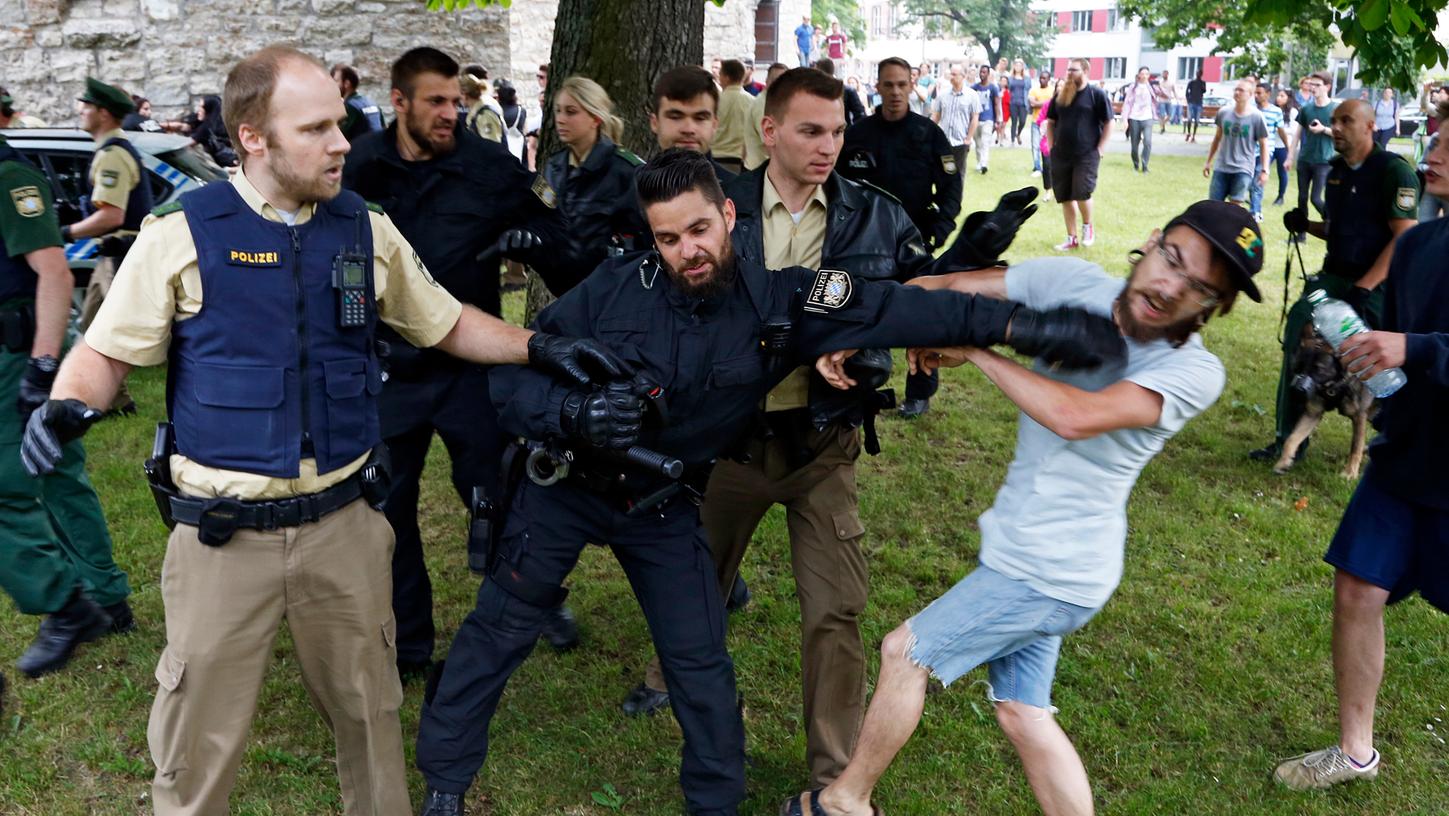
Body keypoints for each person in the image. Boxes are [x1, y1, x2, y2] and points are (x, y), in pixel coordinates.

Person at [413, 146, 1124, 816]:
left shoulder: (783, 300)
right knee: (496, 634)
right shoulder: (611, 289)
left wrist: (1028, 328)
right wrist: (574, 410)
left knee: (698, 662)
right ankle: (444, 784)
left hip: (659, 507)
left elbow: (896, 306)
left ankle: (716, 802)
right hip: (562, 490)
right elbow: (512, 380)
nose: (687, 251)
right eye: (667, 239)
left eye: (698, 228)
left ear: (727, 216)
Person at [18, 45, 625, 815]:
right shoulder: (182, 232)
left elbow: (442, 322)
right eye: (316, 129)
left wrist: (539, 346)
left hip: (344, 527)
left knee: (371, 719)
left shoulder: (363, 228)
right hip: (222, 539)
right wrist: (70, 403)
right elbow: (106, 350)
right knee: (196, 738)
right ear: (253, 138)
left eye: (339, 124)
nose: (342, 143)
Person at [782, 199, 1265, 816]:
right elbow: (944, 286)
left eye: (1200, 287)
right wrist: (864, 331)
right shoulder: (1079, 284)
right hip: (1034, 556)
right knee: (1023, 714)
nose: (1173, 287)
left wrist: (979, 347)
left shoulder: (1194, 371)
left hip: (1050, 573)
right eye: (1173, 259)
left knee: (906, 652)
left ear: (1214, 306)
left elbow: (1074, 415)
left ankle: (845, 801)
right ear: (1153, 238)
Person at [621, 66, 1029, 781]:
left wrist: (969, 254)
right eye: (810, 130)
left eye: (838, 131)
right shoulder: (715, 209)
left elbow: (908, 297)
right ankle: (666, 674)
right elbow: (673, 309)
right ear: (769, 131)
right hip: (727, 445)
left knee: (835, 611)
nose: (829, 146)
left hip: (823, 444)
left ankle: (831, 770)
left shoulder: (875, 214)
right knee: (695, 587)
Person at [342, 46, 577, 683]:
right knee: (385, 512)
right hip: (388, 366)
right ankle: (410, 645)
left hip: (468, 367)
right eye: (437, 102)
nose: (452, 113)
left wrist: (540, 248)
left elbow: (565, 251)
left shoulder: (488, 166)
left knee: (499, 492)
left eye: (457, 101)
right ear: (399, 102)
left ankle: (534, 604)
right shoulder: (358, 166)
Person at [1273, 113, 1449, 791]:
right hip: (1403, 459)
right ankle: (1353, 752)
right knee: (1355, 586)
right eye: (1430, 143)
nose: (1426, 156)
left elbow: (1419, 347)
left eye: (1440, 148)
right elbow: (1395, 363)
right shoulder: (1415, 248)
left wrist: (1419, 347)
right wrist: (1372, 363)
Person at [1, 130, 132, 680]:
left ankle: (76, 600)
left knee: (29, 478)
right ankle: (99, 596)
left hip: (16, 354)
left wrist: (43, 365)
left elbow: (53, 272)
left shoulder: (10, 177)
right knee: (53, 474)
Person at [1250, 99, 1420, 463]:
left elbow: (1404, 237)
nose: (1337, 127)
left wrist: (1365, 287)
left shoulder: (1393, 172)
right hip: (1333, 277)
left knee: (1379, 361)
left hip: (1379, 284)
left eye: (1347, 120)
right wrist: (1305, 225)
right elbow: (1340, 231)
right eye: (1334, 121)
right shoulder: (1338, 171)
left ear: (1371, 126)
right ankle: (1288, 443)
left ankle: (1396, 434)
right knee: (1299, 329)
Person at [66, 78, 154, 416]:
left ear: (103, 113)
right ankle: (115, 403)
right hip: (113, 257)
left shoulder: (113, 155)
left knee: (104, 332)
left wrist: (66, 231)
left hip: (119, 256)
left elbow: (111, 216)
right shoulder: (113, 150)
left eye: (87, 106)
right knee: (94, 331)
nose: (81, 111)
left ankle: (104, 402)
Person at [543, 76, 649, 272]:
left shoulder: (626, 171)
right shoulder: (554, 167)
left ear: (596, 118)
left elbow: (646, 239)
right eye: (558, 110)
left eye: (571, 112)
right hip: (566, 286)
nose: (560, 119)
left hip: (613, 286)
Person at [1045, 58, 1112, 250]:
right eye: (1068, 70)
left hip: (1086, 154)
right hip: (1061, 153)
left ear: (1085, 71)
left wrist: (1100, 149)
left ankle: (1087, 227)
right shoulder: (1061, 93)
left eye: (1073, 70)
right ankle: (1071, 239)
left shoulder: (1095, 94)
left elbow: (1109, 122)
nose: (1069, 73)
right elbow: (1050, 121)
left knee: (1082, 193)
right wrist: (1051, 146)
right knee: (1065, 196)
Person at [1203, 79, 1269, 208]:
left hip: (1243, 168)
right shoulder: (1224, 113)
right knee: (1214, 206)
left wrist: (1265, 170)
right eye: (1236, 90)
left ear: (1250, 94)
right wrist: (1208, 161)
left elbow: (1263, 144)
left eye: (1241, 90)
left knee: (1234, 208)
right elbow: (1217, 138)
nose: (1237, 92)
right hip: (1222, 166)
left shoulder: (1257, 117)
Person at [1296, 72, 1339, 228]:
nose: (1313, 88)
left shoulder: (1335, 109)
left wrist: (1323, 129)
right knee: (1301, 197)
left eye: (1317, 85)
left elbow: (1340, 134)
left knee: (1316, 198)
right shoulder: (1306, 109)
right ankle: (1301, 231)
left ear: (1327, 87)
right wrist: (1289, 156)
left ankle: (1331, 221)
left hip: (1324, 161)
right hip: (1304, 159)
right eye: (1311, 84)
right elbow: (1297, 134)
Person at [930, 63, 980, 180]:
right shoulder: (942, 95)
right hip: (946, 141)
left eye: (954, 74)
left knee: (959, 173)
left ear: (963, 76)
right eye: (950, 74)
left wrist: (968, 138)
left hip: (961, 142)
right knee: (948, 171)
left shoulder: (972, 95)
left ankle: (956, 197)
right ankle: (947, 196)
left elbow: (974, 118)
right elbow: (936, 116)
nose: (951, 77)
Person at [1250, 83, 1290, 220]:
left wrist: (1288, 149)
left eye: (1259, 93)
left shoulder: (1276, 111)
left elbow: (1281, 132)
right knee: (1248, 182)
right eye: (1255, 93)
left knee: (1258, 181)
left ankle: (1256, 212)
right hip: (1249, 151)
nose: (1256, 95)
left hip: (1265, 152)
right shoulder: (1251, 110)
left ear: (1267, 94)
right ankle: (1253, 208)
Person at [743, 62, 788, 170]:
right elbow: (769, 142)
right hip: (758, 169)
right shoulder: (762, 105)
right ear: (767, 81)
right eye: (776, 80)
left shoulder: (770, 102)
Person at [713, 59, 753, 174]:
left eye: (720, 74)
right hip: (741, 159)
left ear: (726, 77)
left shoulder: (715, 102)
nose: (718, 78)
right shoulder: (752, 102)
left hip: (716, 157)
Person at [332, 63, 384, 141]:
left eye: (336, 81)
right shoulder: (372, 103)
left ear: (346, 83)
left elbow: (339, 136)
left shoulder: (350, 106)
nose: (332, 84)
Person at [1122, 66, 1157, 173]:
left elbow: (1156, 99)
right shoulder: (1133, 87)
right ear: (1139, 75)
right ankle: (1136, 165)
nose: (1145, 76)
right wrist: (1125, 119)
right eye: (1143, 73)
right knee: (1134, 144)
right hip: (1134, 117)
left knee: (1147, 141)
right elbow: (1127, 103)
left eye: (1147, 74)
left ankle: (1145, 165)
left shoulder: (1151, 87)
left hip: (1147, 117)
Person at [190, 95, 239, 167]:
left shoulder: (206, 127)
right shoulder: (226, 123)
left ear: (208, 108)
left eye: (202, 107)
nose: (199, 110)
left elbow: (188, 143)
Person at [971, 65, 1002, 174]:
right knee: (977, 142)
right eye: (981, 72)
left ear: (988, 74)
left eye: (984, 72)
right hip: (976, 119)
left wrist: (998, 119)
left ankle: (984, 164)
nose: (982, 74)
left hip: (988, 118)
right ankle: (979, 162)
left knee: (985, 142)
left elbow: (997, 103)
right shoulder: (974, 87)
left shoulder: (993, 88)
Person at [1273, 88, 1299, 206]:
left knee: (1282, 172)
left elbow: (1294, 130)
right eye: (1278, 95)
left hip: (1284, 146)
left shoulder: (1293, 112)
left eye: (1282, 96)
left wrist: (1280, 129)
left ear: (1288, 98)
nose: (1279, 98)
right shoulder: (1273, 110)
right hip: (1271, 145)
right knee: (1260, 169)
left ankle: (1280, 196)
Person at [1028, 69, 1054, 176]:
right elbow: (1032, 104)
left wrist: (1039, 102)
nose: (1042, 80)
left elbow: (1053, 103)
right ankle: (1037, 167)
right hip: (1036, 121)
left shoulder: (1052, 90)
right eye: (1040, 78)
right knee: (1035, 145)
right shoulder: (1034, 90)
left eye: (1044, 78)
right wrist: (1047, 102)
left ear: (1049, 79)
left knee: (1048, 145)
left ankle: (1047, 166)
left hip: (1049, 122)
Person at [1007, 60, 1031, 146]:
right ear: (1014, 67)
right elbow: (1007, 88)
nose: (1018, 67)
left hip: (1023, 102)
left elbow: (1029, 89)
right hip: (1013, 102)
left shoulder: (1027, 78)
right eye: (1016, 65)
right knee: (1014, 121)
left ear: (1022, 67)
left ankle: (1018, 133)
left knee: (1023, 121)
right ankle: (1012, 140)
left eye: (1020, 66)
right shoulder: (1010, 78)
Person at [1184, 70, 1207, 143]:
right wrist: (1188, 100)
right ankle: (1188, 132)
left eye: (1199, 73)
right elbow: (1187, 92)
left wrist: (1201, 84)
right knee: (1189, 119)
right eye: (1197, 73)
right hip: (1191, 103)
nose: (1198, 75)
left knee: (1197, 121)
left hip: (1199, 103)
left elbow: (1204, 91)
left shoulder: (1202, 83)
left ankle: (1193, 135)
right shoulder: (1191, 82)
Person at [1156, 68, 1178, 134]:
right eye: (1163, 74)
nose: (1164, 75)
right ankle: (1162, 128)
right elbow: (1157, 91)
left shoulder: (1171, 82)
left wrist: (1176, 98)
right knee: (1161, 115)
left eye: (1165, 74)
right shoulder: (1159, 82)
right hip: (1161, 101)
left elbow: (1174, 91)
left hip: (1168, 101)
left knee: (1169, 115)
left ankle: (1162, 125)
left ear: (1167, 74)